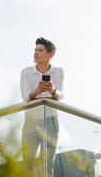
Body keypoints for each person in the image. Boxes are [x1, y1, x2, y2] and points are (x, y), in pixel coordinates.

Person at [20, 37, 64, 177]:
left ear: (50, 55)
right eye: (35, 50)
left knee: (46, 164)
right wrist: (37, 91)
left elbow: (60, 95)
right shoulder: (25, 72)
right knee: (27, 162)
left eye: (40, 50)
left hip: (51, 119)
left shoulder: (58, 72)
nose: (35, 53)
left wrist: (52, 90)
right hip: (31, 120)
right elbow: (25, 96)